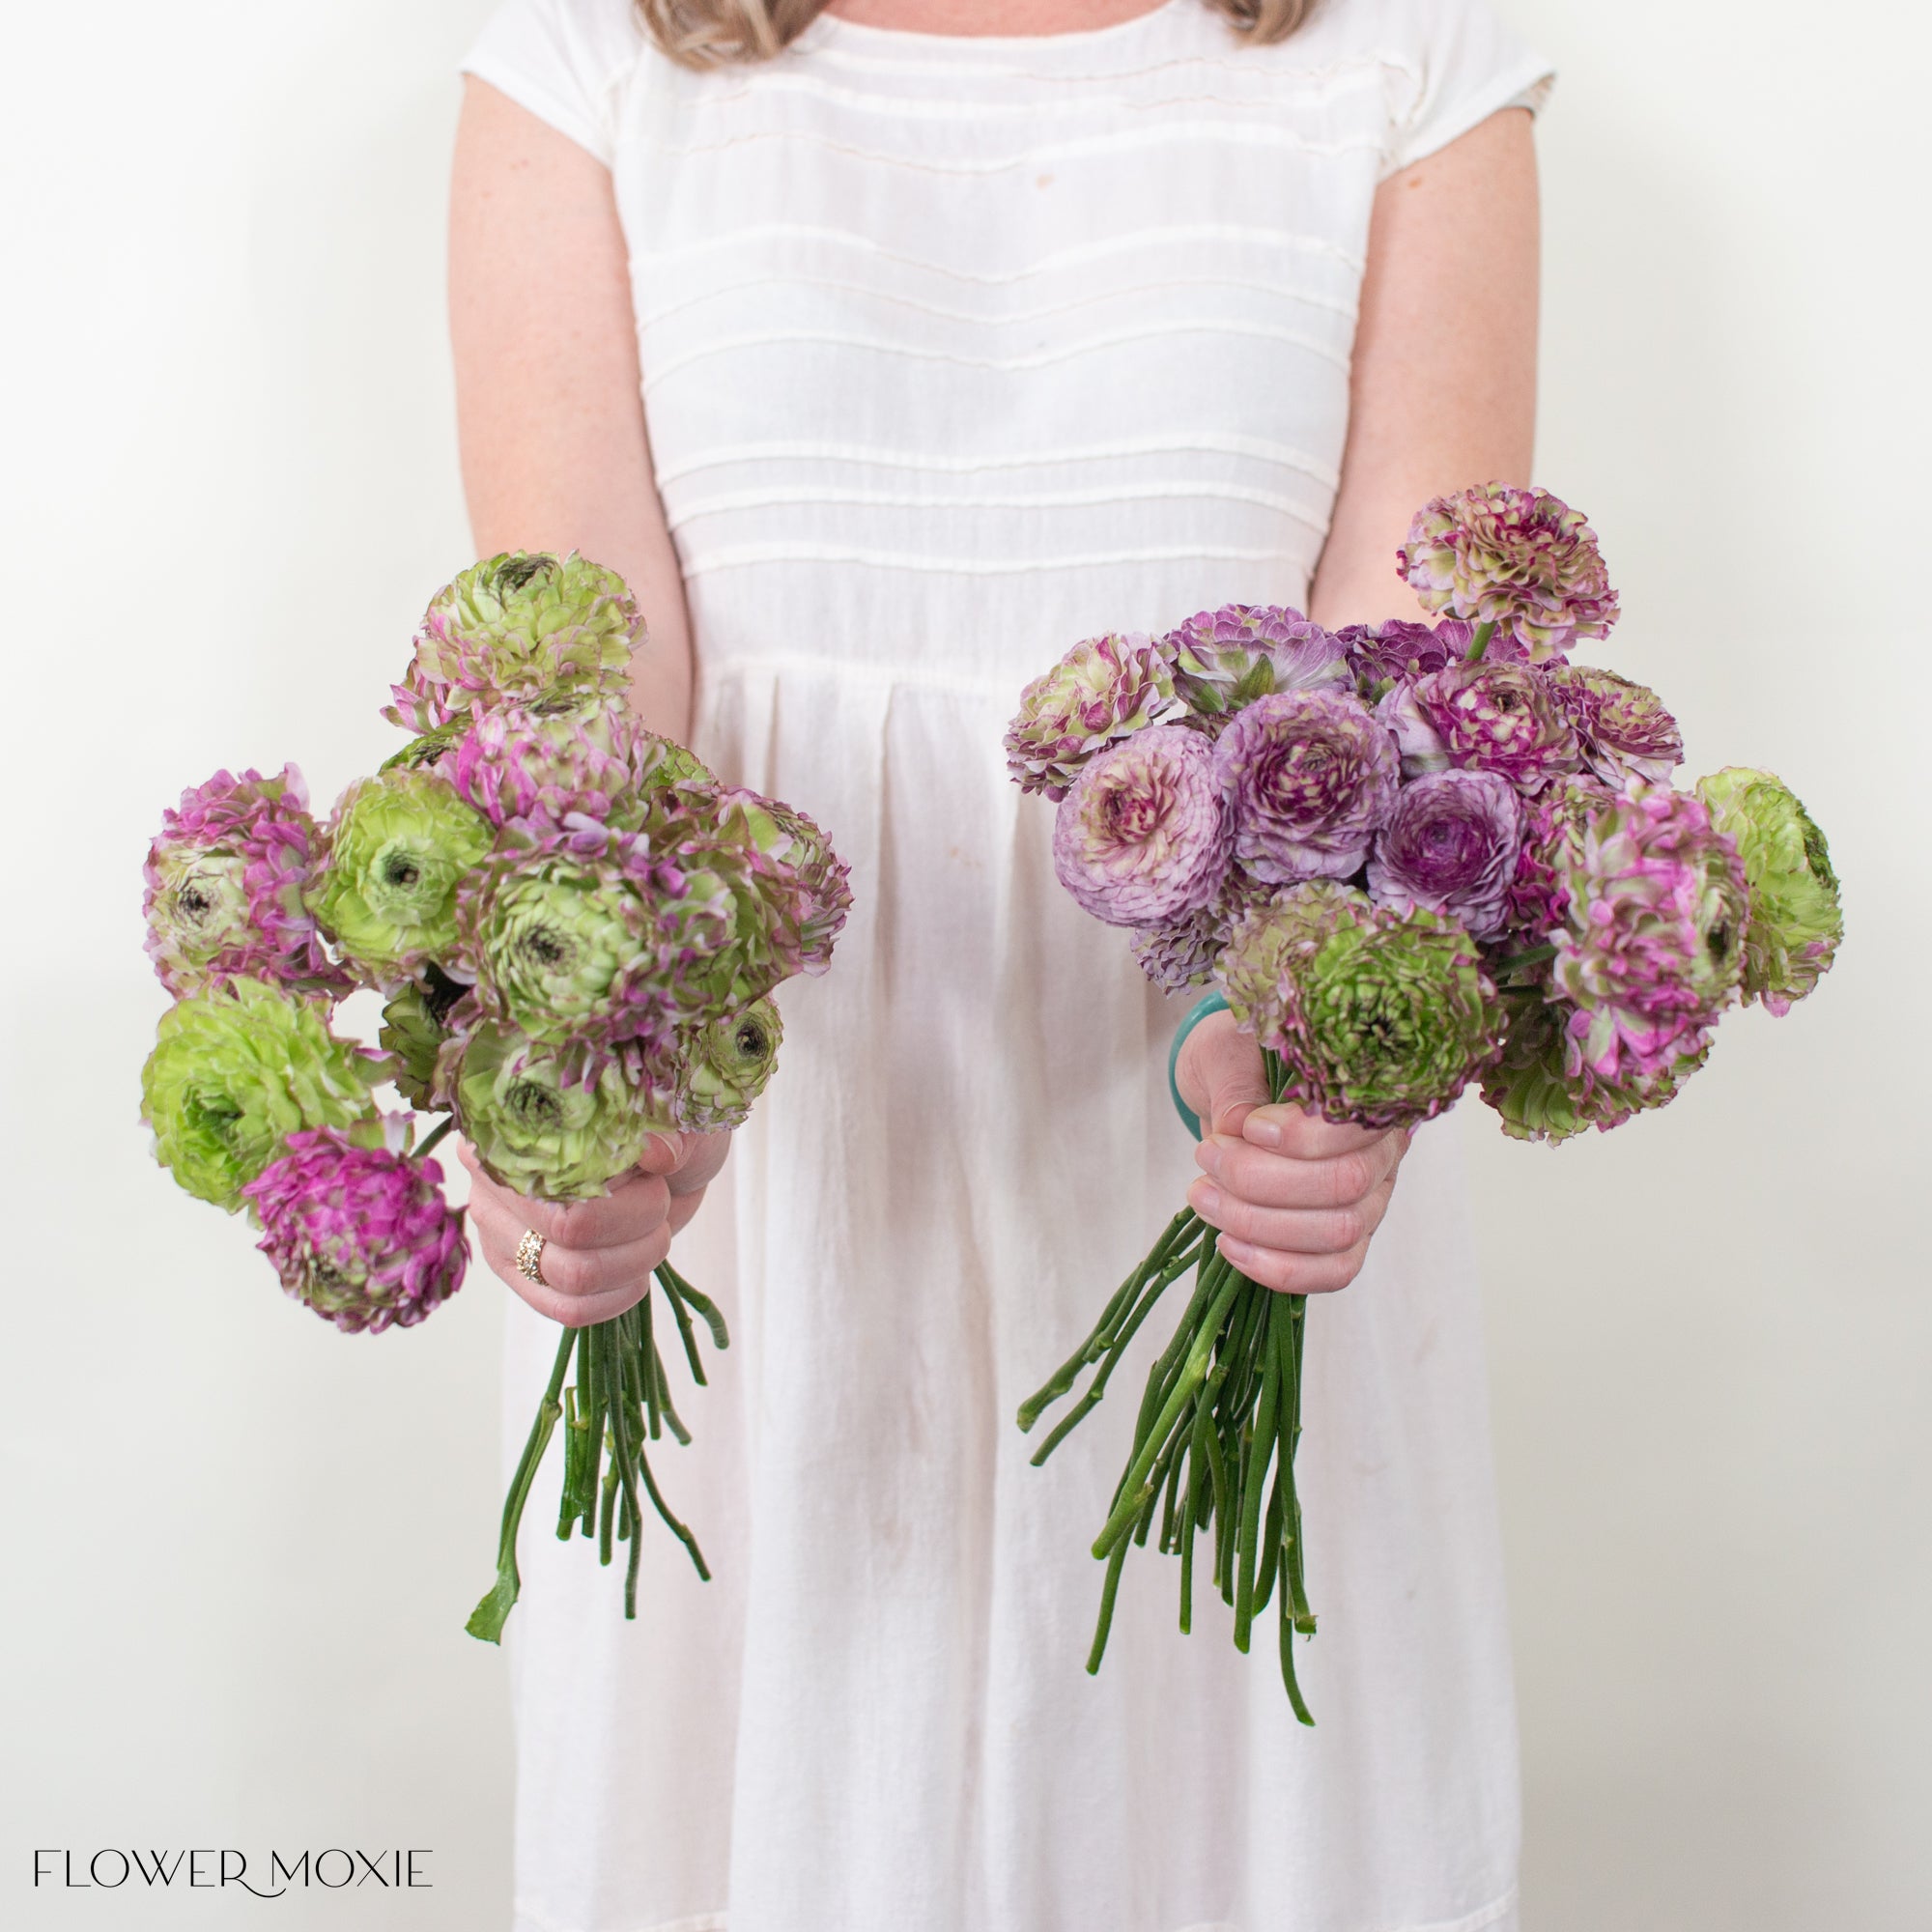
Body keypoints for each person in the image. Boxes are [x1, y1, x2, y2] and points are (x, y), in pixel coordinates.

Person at [450, 2, 1550, 1927]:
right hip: (773, 1158)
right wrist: (595, 1087)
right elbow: (578, 688)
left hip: (1224, 1183)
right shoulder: (585, 59)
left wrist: (1269, 1054)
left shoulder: (1403, 60)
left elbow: (1400, 713)